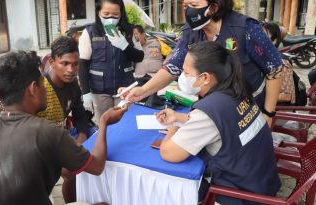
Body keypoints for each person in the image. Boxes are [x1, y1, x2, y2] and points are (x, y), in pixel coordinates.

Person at [0, 51, 127, 205]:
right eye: (42, 83)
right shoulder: (50, 133)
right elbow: (97, 166)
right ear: (33, 89)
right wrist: (104, 123)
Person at [156, 41, 280, 204]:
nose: (182, 77)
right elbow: (225, 123)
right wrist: (180, 118)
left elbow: (169, 154)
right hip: (263, 182)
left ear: (205, 77)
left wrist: (173, 129)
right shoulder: (238, 90)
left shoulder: (210, 109)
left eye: (186, 72)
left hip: (239, 195)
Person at [123, 0, 283, 126]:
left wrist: (269, 113)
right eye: (185, 6)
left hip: (249, 106)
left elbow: (275, 69)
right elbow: (173, 66)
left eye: (193, 5)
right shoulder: (190, 32)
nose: (188, 11)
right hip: (214, 107)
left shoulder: (246, 28)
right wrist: (143, 90)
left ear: (213, 7)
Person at [37, 36, 96, 203]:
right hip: (37, 144)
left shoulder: (73, 85)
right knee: (72, 171)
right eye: (65, 63)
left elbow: (79, 115)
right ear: (52, 61)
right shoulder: (39, 88)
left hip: (59, 139)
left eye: (75, 64)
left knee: (78, 168)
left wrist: (81, 138)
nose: (71, 69)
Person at [78, 0, 144, 122]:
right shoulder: (90, 32)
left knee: (124, 122)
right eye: (106, 14)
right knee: (103, 124)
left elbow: (139, 57)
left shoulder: (129, 31)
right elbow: (82, 64)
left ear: (121, 13)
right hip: (99, 90)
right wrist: (85, 93)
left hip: (125, 88)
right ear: (98, 13)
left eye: (115, 14)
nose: (110, 18)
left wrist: (125, 46)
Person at [262, 22, 296, 106]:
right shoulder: (256, 58)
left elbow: (288, 96)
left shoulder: (283, 63)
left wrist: (260, 97)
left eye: (264, 36)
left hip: (277, 111)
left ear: (275, 40)